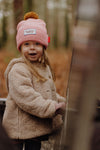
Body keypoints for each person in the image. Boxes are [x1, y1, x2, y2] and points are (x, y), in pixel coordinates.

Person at [2, 11, 66, 150]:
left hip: (35, 130)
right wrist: (52, 108)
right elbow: (26, 97)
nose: (32, 48)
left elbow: (46, 93)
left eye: (37, 43)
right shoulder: (19, 70)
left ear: (44, 46)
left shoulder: (43, 67)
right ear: (20, 47)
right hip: (19, 133)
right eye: (27, 44)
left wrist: (61, 102)